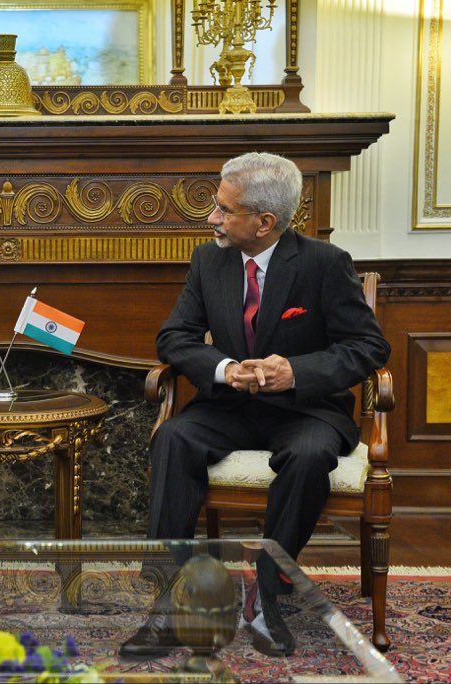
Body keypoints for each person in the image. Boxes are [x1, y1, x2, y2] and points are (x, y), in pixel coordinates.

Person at [120, 152, 391, 658]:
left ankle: (267, 593)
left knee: (308, 456)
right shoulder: (209, 260)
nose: (212, 218)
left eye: (224, 209)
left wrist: (296, 371)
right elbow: (175, 336)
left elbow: (368, 348)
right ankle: (168, 603)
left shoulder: (324, 264)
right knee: (173, 436)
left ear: (265, 222)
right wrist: (224, 369)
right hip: (229, 407)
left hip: (307, 410)